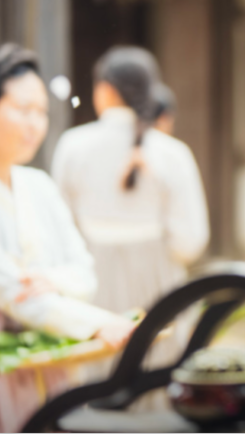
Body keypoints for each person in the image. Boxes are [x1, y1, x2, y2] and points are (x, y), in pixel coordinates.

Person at [0, 44, 135, 433]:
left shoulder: (38, 185)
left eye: (41, 112)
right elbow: (13, 292)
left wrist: (55, 281)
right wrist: (96, 324)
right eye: (23, 109)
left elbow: (84, 272)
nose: (35, 124)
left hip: (51, 369)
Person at [52, 47, 209, 314]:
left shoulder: (72, 146)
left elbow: (59, 230)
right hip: (159, 294)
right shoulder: (174, 153)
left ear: (105, 90)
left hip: (91, 291)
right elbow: (190, 241)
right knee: (158, 353)